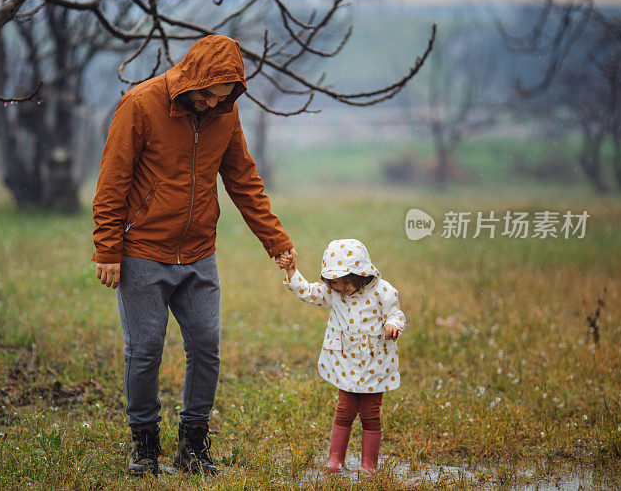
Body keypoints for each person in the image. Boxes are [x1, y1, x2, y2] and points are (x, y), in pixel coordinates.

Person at [92, 34, 297, 477]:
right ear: (191, 79)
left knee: (206, 347)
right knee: (144, 350)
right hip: (143, 252)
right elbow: (113, 181)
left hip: (200, 254)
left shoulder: (225, 114)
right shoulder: (141, 105)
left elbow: (243, 179)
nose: (210, 104)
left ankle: (193, 447)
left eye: (222, 97)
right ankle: (145, 448)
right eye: (206, 94)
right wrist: (108, 248)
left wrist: (276, 242)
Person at [277, 239, 406, 473]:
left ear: (360, 274)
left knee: (370, 413)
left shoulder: (382, 291)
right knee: (344, 409)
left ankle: (369, 464)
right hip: (345, 362)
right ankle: (335, 460)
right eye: (334, 282)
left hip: (375, 363)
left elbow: (395, 312)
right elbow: (307, 291)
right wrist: (291, 269)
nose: (340, 288)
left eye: (345, 282)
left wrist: (392, 324)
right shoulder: (333, 292)